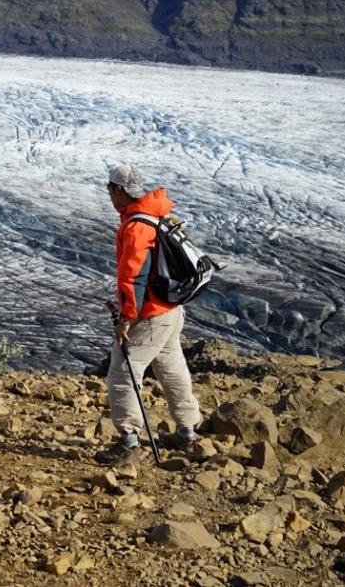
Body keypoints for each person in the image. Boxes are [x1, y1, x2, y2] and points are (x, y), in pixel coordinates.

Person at [96, 164, 202, 466]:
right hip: (171, 309)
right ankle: (186, 431)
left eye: (109, 188)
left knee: (122, 371)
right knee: (171, 365)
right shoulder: (156, 214)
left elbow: (133, 276)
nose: (109, 194)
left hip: (151, 315)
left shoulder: (136, 226)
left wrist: (127, 317)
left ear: (119, 190)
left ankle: (129, 442)